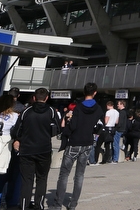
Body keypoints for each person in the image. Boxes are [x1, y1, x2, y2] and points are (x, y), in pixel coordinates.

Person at [55, 82, 105, 210]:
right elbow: (100, 125)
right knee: (79, 175)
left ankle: (57, 203)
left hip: (74, 142)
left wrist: (66, 129)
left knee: (64, 174)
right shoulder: (99, 109)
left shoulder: (78, 107)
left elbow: (73, 126)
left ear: (84, 92)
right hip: (87, 142)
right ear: (95, 92)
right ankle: (73, 204)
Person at [13, 87, 61, 210]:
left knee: (27, 180)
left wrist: (19, 139)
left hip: (27, 149)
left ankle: (24, 205)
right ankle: (39, 205)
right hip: (44, 149)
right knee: (42, 178)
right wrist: (46, 134)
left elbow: (17, 130)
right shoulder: (51, 111)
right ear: (47, 98)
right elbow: (57, 129)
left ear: (34, 98)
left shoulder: (26, 111)